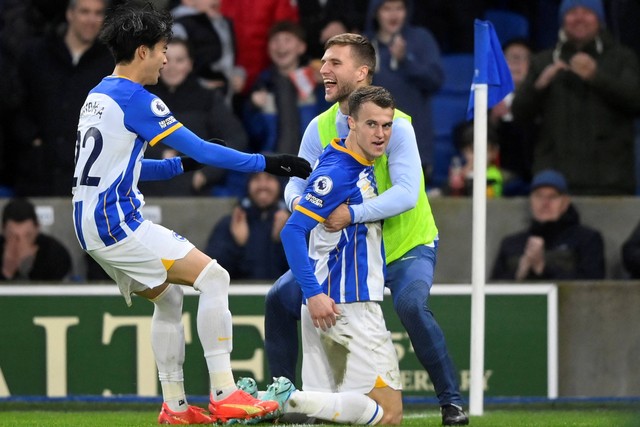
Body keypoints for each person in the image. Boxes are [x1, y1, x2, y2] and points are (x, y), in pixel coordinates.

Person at [72, 3, 310, 424]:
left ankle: (176, 408)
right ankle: (225, 392)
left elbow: (122, 168)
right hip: (116, 223)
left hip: (91, 226)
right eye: (163, 48)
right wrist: (270, 162)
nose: (166, 58)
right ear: (143, 51)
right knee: (214, 276)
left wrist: (178, 167)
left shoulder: (98, 95)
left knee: (169, 298)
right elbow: (201, 147)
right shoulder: (136, 98)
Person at [264, 33, 469, 426]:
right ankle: (286, 402)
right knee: (278, 299)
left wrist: (348, 214)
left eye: (334, 63)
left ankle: (451, 402)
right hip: (350, 258)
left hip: (403, 244)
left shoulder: (396, 127)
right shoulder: (319, 128)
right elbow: (296, 184)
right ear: (354, 124)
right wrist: (307, 208)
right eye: (323, 61)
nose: (323, 70)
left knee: (410, 305)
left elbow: (408, 193)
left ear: (362, 73)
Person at [258, 85, 402, 425]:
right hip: (344, 304)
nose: (381, 134)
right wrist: (313, 294)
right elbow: (292, 231)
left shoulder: (344, 156)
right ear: (350, 122)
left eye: (387, 125)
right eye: (371, 125)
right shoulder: (339, 172)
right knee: (389, 414)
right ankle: (275, 401)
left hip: (327, 304)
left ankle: (284, 402)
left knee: (324, 415)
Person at [511, 0, 640, 195]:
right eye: (572, 12)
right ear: (562, 20)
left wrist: (597, 77)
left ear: (600, 19)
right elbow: (519, 113)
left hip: (610, 181)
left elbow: (635, 102)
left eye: (587, 11)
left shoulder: (623, 59)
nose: (579, 18)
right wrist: (539, 86)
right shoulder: (543, 61)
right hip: (554, 183)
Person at [13, 0, 113, 196]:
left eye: (98, 13)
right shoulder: (36, 54)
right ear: (70, 14)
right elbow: (16, 103)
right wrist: (31, 139)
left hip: (89, 180)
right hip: (37, 176)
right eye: (85, 12)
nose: (91, 20)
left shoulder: (111, 64)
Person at [142, 38, 249, 197]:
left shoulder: (208, 99)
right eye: (166, 59)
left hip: (193, 191)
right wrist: (158, 155)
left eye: (180, 60)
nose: (172, 67)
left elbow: (237, 138)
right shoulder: (141, 97)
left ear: (190, 64)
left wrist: (206, 174)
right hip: (145, 191)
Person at [364, 0, 444, 179]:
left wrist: (406, 60)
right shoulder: (364, 44)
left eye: (399, 8)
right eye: (387, 8)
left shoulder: (421, 39)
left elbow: (436, 80)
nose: (393, 14)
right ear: (375, 12)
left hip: (415, 143)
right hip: (370, 146)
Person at [491, 169, 605, 281]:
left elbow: (593, 284)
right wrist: (519, 273)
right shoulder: (511, 244)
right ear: (531, 201)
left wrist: (543, 269)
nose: (545, 203)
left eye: (552, 197)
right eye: (538, 196)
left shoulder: (587, 239)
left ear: (565, 202)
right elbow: (492, 289)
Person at [243, 20, 328, 155]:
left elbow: (330, 126)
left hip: (312, 164)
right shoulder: (261, 84)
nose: (280, 46)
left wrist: (326, 86)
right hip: (273, 167)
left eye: (287, 40)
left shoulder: (316, 82)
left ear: (301, 47)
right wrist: (252, 108)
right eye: (275, 41)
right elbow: (253, 136)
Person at [204, 172, 289, 280]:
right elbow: (211, 273)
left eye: (269, 178)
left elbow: (304, 273)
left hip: (280, 295)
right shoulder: (230, 223)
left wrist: (284, 241)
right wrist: (238, 245)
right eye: (256, 179)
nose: (263, 185)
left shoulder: (293, 224)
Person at [490, 37, 536, 196]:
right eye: (512, 58)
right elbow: (463, 135)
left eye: (525, 59)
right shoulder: (486, 98)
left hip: (533, 174)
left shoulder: (543, 99)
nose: (518, 63)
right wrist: (492, 120)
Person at [1, 198, 72, 281]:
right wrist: (7, 272)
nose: (21, 243)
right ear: (3, 230)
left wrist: (29, 266)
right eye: (13, 236)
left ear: (37, 228)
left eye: (27, 235)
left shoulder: (56, 253)